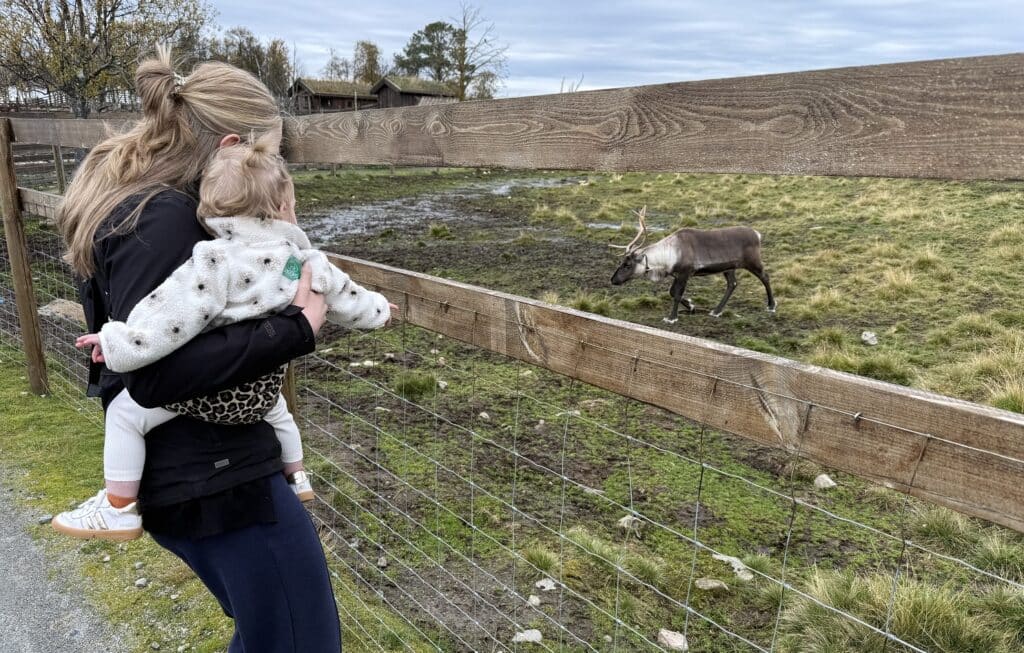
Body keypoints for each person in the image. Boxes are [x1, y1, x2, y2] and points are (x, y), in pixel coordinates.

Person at [53, 45, 346, 651]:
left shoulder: (155, 209)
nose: (278, 173)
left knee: (272, 633)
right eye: (273, 156)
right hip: (215, 482)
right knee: (300, 642)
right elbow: (154, 377)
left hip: (203, 470)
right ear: (233, 147)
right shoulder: (164, 221)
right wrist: (298, 329)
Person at [52, 133, 391, 541]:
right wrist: (381, 312)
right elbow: (349, 298)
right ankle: (298, 476)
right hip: (259, 395)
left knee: (125, 411)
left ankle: (118, 506)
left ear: (210, 209)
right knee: (280, 409)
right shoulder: (305, 260)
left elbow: (170, 319)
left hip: (213, 397)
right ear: (283, 208)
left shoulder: (213, 260)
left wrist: (117, 342)